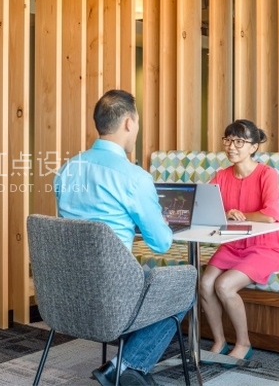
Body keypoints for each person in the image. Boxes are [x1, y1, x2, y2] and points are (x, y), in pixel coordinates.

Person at [54, 89, 178, 386]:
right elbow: (161, 243)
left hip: (66, 289)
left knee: (147, 278)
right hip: (113, 293)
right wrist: (155, 221)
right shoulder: (134, 177)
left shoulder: (67, 169)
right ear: (128, 123)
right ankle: (124, 365)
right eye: (138, 122)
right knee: (182, 284)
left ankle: (127, 366)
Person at [200, 120, 279, 362]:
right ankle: (219, 341)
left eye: (239, 141)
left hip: (264, 246)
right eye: (228, 140)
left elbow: (270, 215)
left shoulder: (267, 174)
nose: (231, 146)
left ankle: (244, 343)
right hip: (232, 244)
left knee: (224, 285)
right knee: (205, 283)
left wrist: (239, 214)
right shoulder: (221, 176)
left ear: (253, 147)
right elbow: (204, 207)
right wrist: (225, 213)